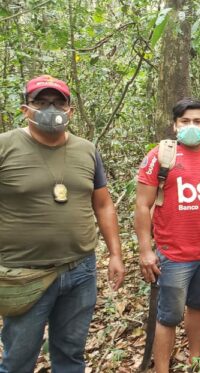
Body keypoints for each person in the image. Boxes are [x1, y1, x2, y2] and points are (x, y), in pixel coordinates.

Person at [0, 75, 125, 372]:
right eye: (41, 102)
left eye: (58, 102)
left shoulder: (87, 150)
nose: (50, 108)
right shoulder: (5, 146)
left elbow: (103, 203)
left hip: (80, 269)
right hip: (23, 272)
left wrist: (115, 254)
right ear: (25, 109)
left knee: (70, 353)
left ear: (70, 110)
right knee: (18, 358)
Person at [134, 98, 200, 372]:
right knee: (168, 317)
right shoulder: (160, 157)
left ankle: (197, 360)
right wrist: (146, 250)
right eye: (185, 121)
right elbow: (142, 205)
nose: (191, 126)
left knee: (199, 306)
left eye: (197, 121)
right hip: (173, 255)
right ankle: (162, 368)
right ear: (175, 125)